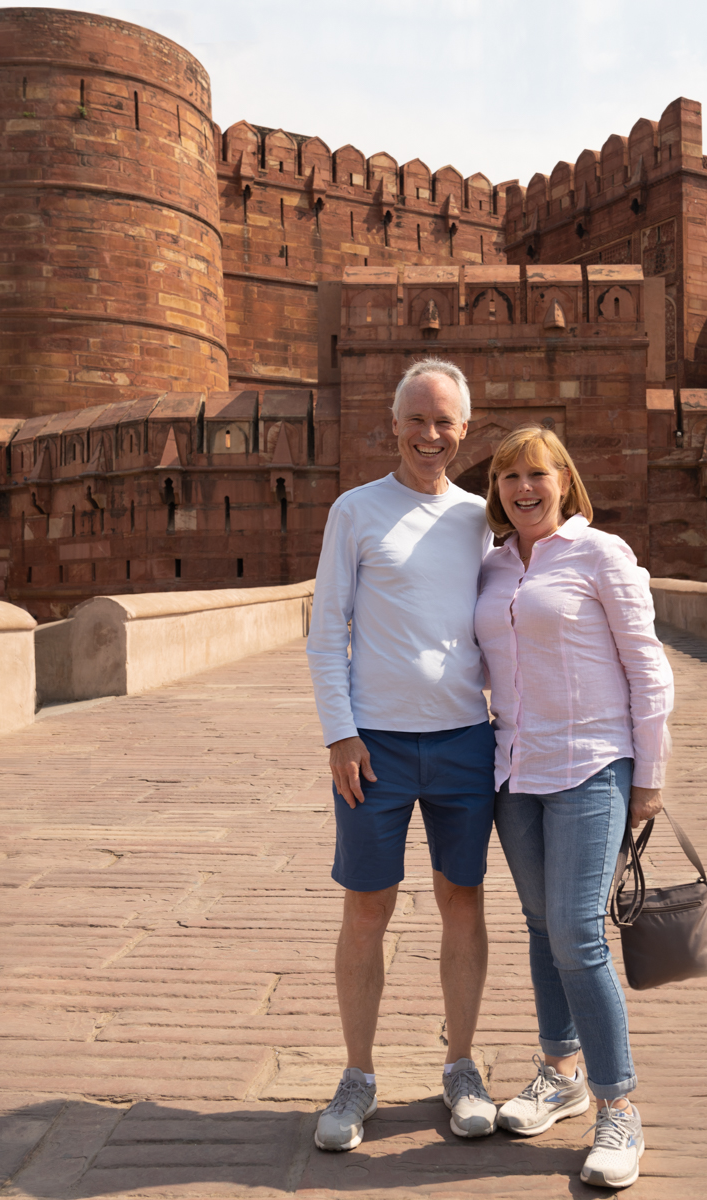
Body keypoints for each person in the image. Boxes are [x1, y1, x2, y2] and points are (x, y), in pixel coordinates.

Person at [304, 357, 500, 1152]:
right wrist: (338, 734)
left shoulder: (479, 519)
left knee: (463, 900)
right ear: (393, 425)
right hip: (375, 745)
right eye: (416, 419)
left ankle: (460, 1065)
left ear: (464, 429)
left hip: (463, 739)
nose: (430, 434)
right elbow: (326, 631)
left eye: (444, 420)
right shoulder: (356, 511)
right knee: (367, 909)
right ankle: (358, 1075)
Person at [474, 425, 674, 1189]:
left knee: (577, 935)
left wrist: (649, 776)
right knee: (539, 926)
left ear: (565, 480)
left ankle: (619, 1106)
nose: (523, 489)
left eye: (536, 475)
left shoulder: (601, 555)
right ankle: (560, 1072)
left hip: (592, 765)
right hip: (514, 769)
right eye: (508, 477)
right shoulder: (491, 567)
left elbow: (647, 668)